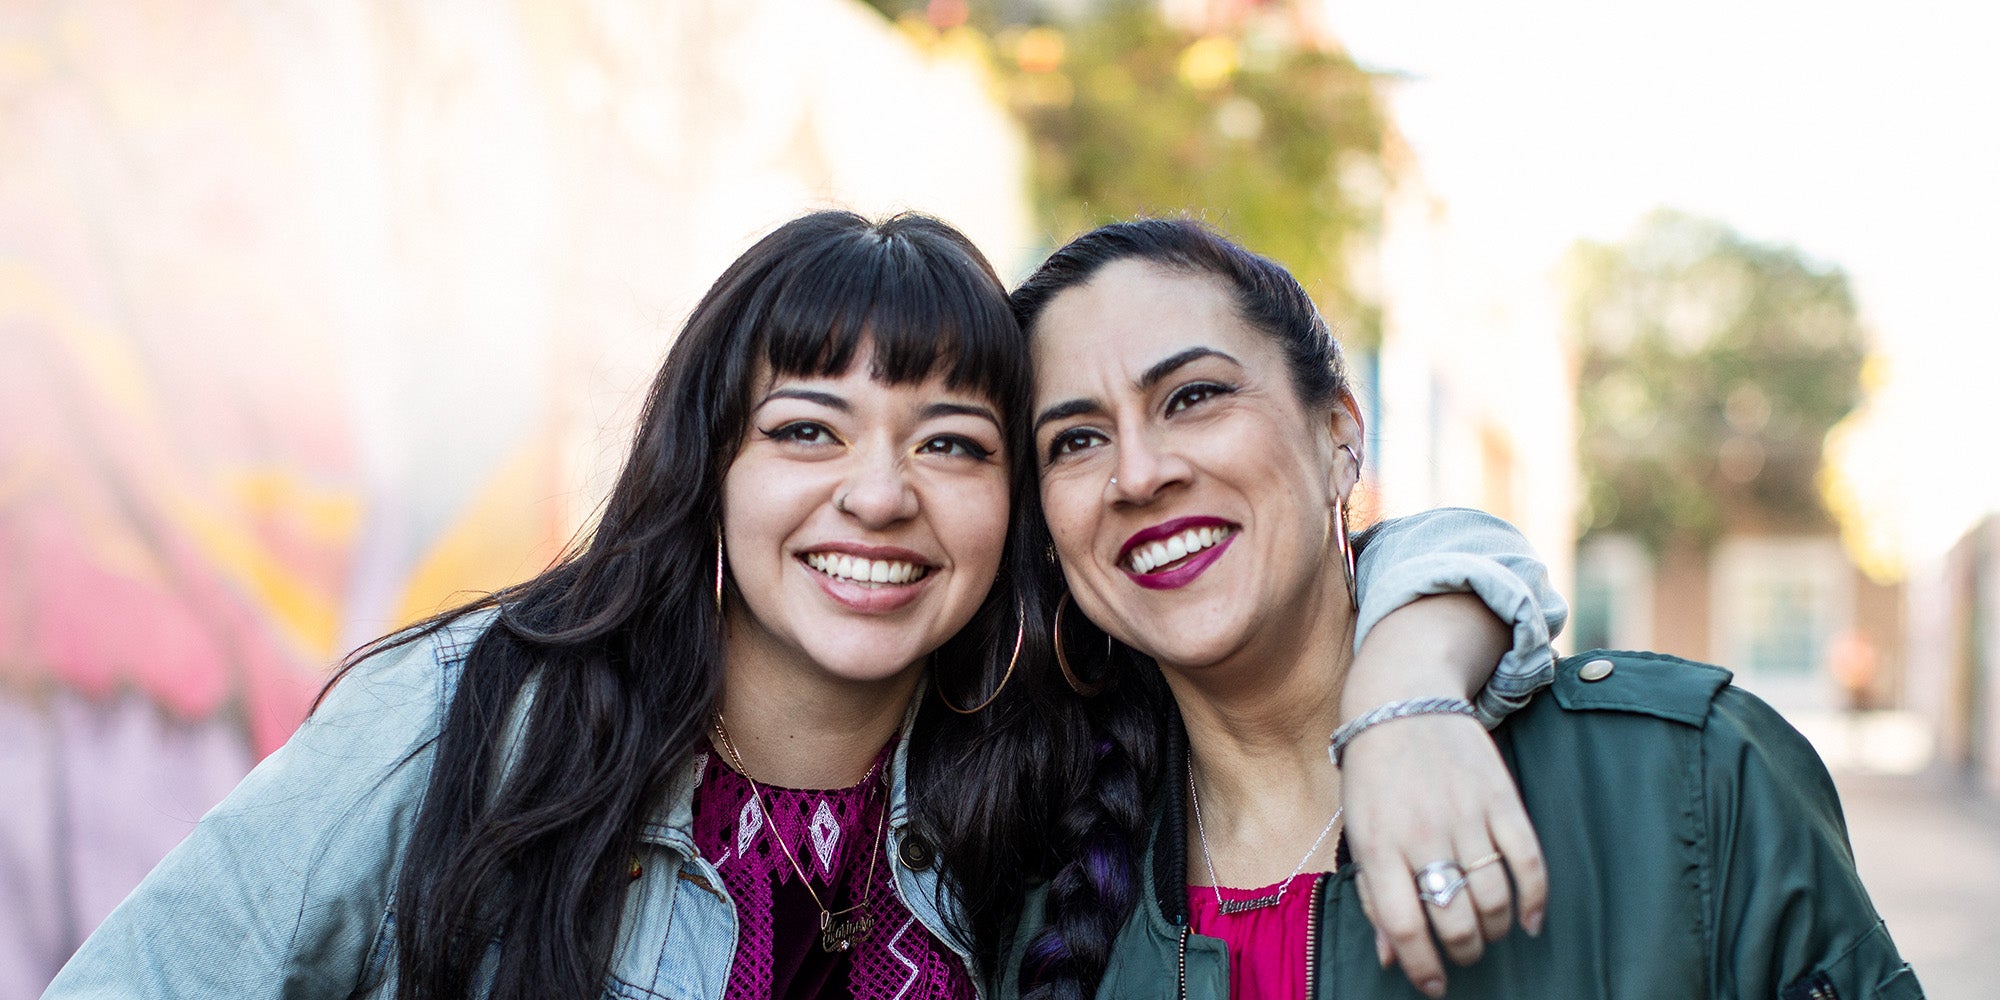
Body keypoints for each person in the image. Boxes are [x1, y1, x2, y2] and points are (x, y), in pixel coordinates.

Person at [45, 211, 1561, 1000]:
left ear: (1019, 509)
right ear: (708, 467)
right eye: (807, 430)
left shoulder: (1039, 778)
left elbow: (1405, 547)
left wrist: (1409, 682)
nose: (881, 496)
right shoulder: (478, 723)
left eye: (955, 445)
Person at [1000, 218, 1922, 999]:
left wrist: (1409, 692)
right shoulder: (1027, 889)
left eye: (1194, 396)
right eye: (1076, 439)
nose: (1138, 472)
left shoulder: (1688, 780)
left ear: (1340, 438)